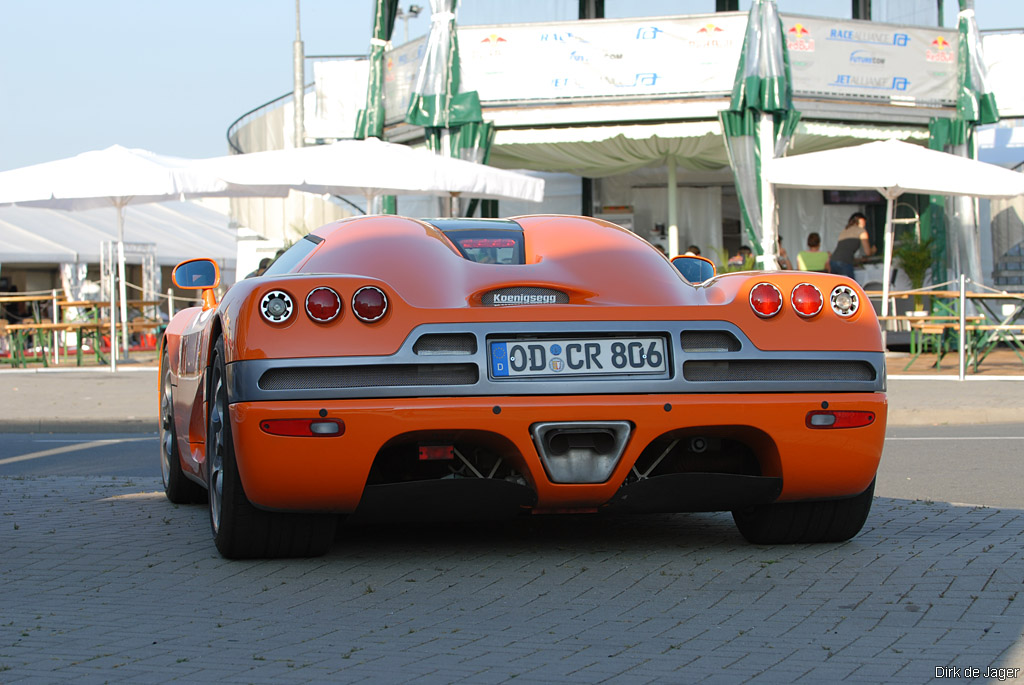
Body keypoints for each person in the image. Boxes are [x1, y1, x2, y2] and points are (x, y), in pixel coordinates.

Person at [830, 212, 876, 279]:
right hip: (844, 262)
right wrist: (873, 250)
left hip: (833, 261)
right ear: (861, 221)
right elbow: (868, 252)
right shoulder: (862, 231)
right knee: (851, 286)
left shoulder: (845, 230)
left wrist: (859, 260)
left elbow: (844, 251)